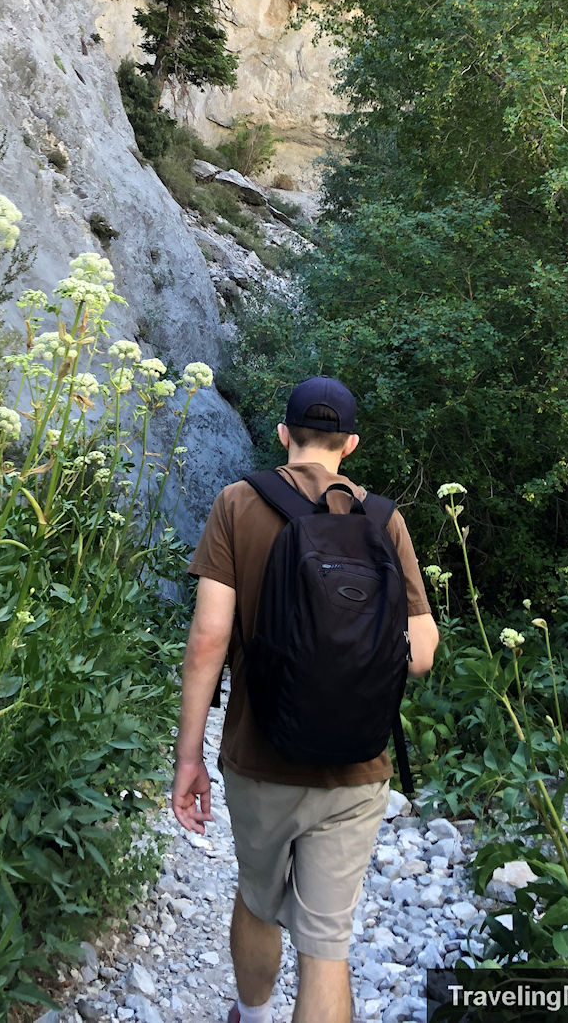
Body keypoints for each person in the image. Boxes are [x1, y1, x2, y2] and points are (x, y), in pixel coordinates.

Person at [171, 376, 440, 1023]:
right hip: (355, 766)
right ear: (350, 444)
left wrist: (188, 759)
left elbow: (208, 640)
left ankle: (251, 1016)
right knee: (326, 947)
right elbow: (423, 653)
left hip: (258, 757)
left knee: (259, 902)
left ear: (284, 434)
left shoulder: (238, 504)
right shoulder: (383, 520)